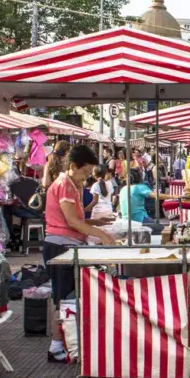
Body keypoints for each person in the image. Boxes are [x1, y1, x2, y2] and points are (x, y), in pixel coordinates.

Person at [43, 145, 115, 363]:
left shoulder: (73, 184)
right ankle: (56, 348)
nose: (87, 177)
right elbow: (70, 221)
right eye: (86, 172)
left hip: (68, 244)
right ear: (74, 167)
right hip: (60, 246)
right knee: (63, 298)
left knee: (68, 296)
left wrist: (95, 222)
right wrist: (99, 234)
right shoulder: (64, 184)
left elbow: (77, 218)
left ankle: (65, 343)